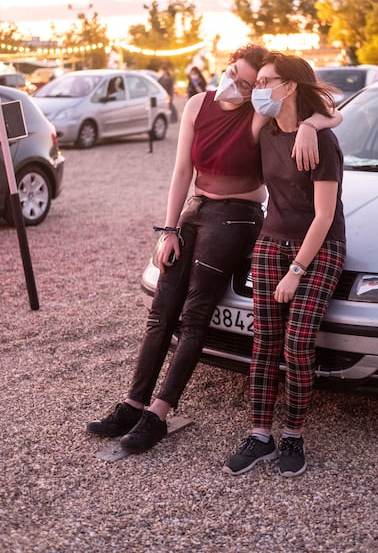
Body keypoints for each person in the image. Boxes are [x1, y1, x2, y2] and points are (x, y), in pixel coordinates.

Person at [87, 44, 341, 456]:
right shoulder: (196, 105)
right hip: (195, 209)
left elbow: (327, 111)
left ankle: (158, 414)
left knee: (195, 312)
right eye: (235, 75)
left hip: (235, 214)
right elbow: (182, 170)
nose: (238, 85)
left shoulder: (259, 113)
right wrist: (169, 228)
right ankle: (132, 404)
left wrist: (312, 123)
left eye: (249, 82)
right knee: (161, 310)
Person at [224, 51, 346, 478]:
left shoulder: (322, 143)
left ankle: (293, 434)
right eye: (255, 83)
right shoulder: (265, 128)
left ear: (289, 85)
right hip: (270, 241)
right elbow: (228, 97)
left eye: (266, 82)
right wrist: (314, 120)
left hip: (319, 247)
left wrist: (296, 271)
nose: (258, 91)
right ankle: (260, 436)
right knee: (264, 344)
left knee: (296, 346)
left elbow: (325, 216)